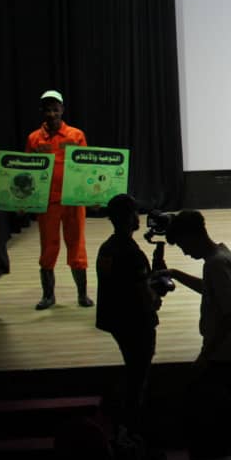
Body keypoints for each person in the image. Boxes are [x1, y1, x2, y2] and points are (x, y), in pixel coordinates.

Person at [95, 193, 159, 435]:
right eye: (134, 212)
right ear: (129, 217)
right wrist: (155, 299)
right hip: (135, 321)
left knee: (133, 370)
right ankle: (131, 425)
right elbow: (142, 292)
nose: (138, 217)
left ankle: (124, 420)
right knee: (138, 374)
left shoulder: (107, 248)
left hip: (116, 319)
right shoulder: (131, 252)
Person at [25, 89, 93, 309]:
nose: (52, 114)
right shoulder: (34, 139)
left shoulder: (76, 135)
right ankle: (48, 296)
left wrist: (92, 196)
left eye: (55, 109)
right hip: (47, 203)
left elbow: (87, 168)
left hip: (73, 201)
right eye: (48, 110)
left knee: (77, 246)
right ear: (42, 111)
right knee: (48, 247)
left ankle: (82, 295)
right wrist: (24, 202)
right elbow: (27, 173)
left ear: (62, 109)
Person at [162, 211, 231, 372]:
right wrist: (174, 274)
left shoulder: (216, 264)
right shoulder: (224, 255)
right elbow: (212, 289)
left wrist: (206, 354)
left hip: (227, 355)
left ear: (192, 237)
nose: (185, 252)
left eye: (183, 245)